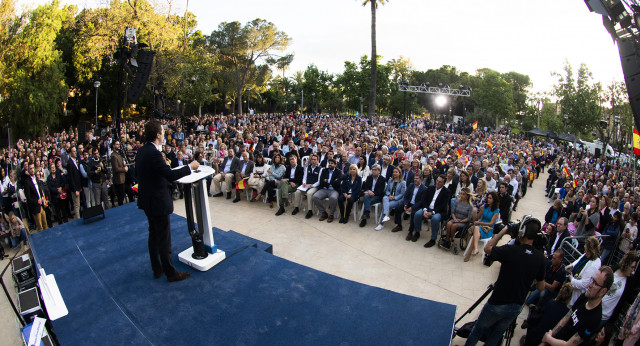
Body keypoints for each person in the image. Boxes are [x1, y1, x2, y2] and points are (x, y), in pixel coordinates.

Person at [464, 216, 546, 346]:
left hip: (497, 302)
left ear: (522, 232)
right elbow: (541, 287)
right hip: (516, 306)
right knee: (496, 335)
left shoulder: (511, 250)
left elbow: (487, 249)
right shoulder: (540, 258)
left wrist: (504, 230)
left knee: (478, 330)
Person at [136, 120, 199, 282]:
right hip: (157, 202)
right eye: (163, 132)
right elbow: (170, 176)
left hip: (147, 200)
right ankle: (170, 273)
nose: (164, 134)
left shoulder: (142, 151)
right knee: (164, 239)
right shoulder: (153, 153)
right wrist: (190, 167)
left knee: (153, 235)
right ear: (158, 135)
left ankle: (157, 268)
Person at [542, 266, 614, 345]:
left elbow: (569, 345)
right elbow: (565, 320)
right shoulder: (584, 297)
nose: (590, 285)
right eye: (592, 280)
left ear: (603, 291)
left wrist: (549, 339)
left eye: (595, 283)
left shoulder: (595, 318)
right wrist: (547, 340)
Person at [413, 173, 450, 246]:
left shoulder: (446, 192)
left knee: (435, 219)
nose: (437, 183)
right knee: (417, 214)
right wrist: (425, 210)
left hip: (438, 211)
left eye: (440, 182)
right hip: (427, 208)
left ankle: (433, 239)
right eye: (437, 181)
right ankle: (417, 232)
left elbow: (443, 205)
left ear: (444, 183)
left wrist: (432, 212)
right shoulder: (430, 188)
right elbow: (424, 200)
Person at [601, 251, 638, 324]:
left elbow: (627, 300)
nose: (633, 271)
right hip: (593, 309)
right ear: (627, 264)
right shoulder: (611, 270)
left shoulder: (629, 283)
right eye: (632, 267)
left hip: (605, 318)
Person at [464, 191, 500, 262]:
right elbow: (477, 217)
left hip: (488, 229)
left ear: (494, 200)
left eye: (490, 198)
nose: (488, 199)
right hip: (480, 227)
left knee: (476, 229)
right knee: (476, 230)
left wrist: (480, 222)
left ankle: (471, 252)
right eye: (488, 198)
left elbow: (491, 223)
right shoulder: (485, 206)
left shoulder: (496, 210)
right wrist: (481, 211)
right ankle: (475, 249)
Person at [566, 236, 602, 305]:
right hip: (571, 287)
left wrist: (572, 279)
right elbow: (580, 259)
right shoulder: (588, 255)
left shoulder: (593, 265)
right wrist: (572, 265)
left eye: (587, 251)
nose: (586, 252)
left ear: (593, 251)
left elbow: (583, 284)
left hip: (575, 294)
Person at [375, 167, 406, 231]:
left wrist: (394, 197)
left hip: (397, 199)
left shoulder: (403, 182)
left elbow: (402, 194)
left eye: (396, 172)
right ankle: (386, 215)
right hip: (389, 197)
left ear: (399, 173)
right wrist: (389, 195)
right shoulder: (390, 180)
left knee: (386, 206)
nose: (394, 173)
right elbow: (387, 190)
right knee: (385, 197)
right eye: (394, 172)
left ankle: (381, 224)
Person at [312, 158, 343, 223]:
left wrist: (328, 180)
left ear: (335, 164)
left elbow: (338, 183)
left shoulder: (339, 172)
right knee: (315, 197)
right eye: (329, 163)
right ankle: (323, 212)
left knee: (333, 198)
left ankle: (331, 214)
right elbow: (321, 181)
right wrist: (333, 181)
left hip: (334, 190)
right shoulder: (324, 170)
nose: (330, 164)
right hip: (324, 189)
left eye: (332, 163)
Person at [292, 153, 322, 218]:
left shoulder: (320, 169)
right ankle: (296, 207)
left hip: (314, 186)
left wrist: (311, 186)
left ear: (318, 161)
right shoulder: (308, 167)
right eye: (312, 159)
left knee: (309, 193)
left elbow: (319, 181)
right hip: (306, 185)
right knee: (297, 192)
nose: (313, 161)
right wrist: (304, 183)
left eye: (315, 160)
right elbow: (304, 177)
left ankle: (310, 210)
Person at [24, 163, 48, 232]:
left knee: (45, 224)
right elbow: (28, 197)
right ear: (28, 170)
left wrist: (42, 197)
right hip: (35, 208)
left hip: (41, 206)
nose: (32, 170)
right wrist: (36, 201)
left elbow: (39, 189)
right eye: (30, 168)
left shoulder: (36, 179)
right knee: (40, 227)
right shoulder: (27, 182)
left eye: (33, 168)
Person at [110, 140, 128, 206]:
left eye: (118, 144)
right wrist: (124, 169)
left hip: (122, 178)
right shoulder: (113, 156)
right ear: (113, 146)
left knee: (122, 197)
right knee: (120, 198)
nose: (118, 145)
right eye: (117, 144)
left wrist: (124, 163)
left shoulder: (118, 154)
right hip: (118, 179)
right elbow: (116, 168)